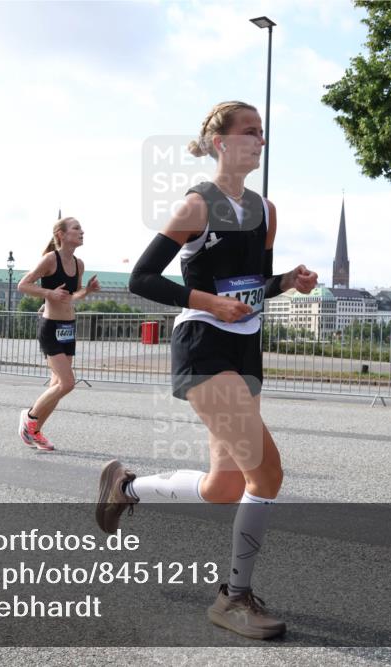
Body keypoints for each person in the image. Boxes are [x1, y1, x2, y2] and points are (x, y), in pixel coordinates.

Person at [95, 101, 317, 640]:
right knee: (268, 475)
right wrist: (209, 303)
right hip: (202, 345)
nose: (259, 141)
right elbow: (142, 279)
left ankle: (127, 486)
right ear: (221, 142)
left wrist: (288, 281)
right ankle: (233, 599)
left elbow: (251, 284)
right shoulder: (198, 205)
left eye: (262, 133)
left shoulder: (266, 210)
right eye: (249, 132)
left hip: (246, 349)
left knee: (224, 485)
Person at [16, 217, 100, 451]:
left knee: (57, 385)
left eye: (81, 228)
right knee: (67, 383)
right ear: (61, 234)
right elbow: (23, 285)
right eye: (76, 228)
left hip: (68, 329)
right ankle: (30, 418)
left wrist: (88, 291)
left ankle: (34, 432)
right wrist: (48, 293)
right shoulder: (50, 259)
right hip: (51, 328)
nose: (82, 231)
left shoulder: (78, 263)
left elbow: (72, 296)